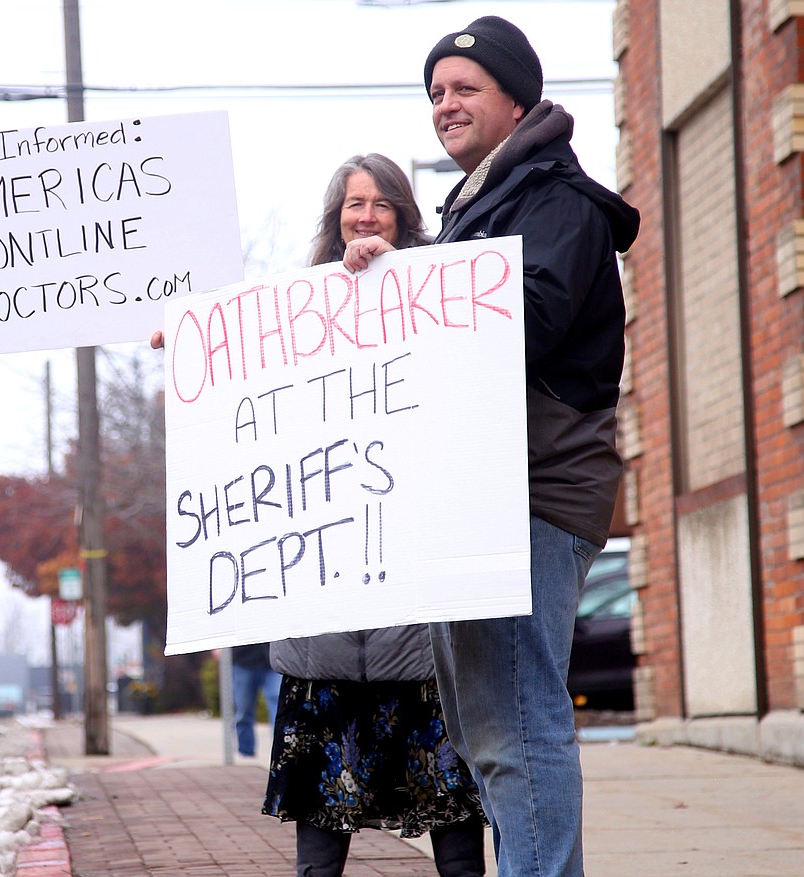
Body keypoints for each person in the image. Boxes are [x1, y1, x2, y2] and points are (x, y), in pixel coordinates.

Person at [343, 18, 640, 877]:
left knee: (514, 722)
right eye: (435, 92)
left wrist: (414, 281)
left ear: (518, 100)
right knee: (490, 729)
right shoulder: (485, 203)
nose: (446, 105)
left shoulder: (556, 201)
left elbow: (525, 323)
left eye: (465, 88)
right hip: (485, 495)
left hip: (534, 494)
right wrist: (389, 268)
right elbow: (447, 324)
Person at [262, 153, 487, 877]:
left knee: (455, 822)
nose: (365, 215)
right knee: (319, 850)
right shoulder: (286, 318)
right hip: (322, 632)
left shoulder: (446, 298)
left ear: (403, 216)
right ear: (334, 220)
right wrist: (188, 352)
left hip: (417, 634)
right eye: (352, 204)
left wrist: (402, 281)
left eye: (380, 203)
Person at [230, 643, 281, 758]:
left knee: (278, 706)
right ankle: (246, 751)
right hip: (244, 660)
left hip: (272, 662)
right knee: (244, 709)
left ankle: (279, 750)